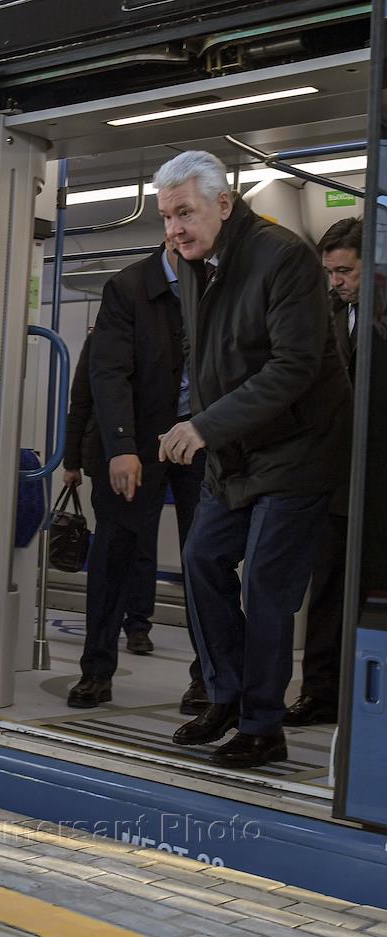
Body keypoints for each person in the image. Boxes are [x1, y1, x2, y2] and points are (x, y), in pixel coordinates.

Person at [157, 151, 351, 768]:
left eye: (184, 212)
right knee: (202, 558)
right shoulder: (194, 262)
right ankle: (228, 695)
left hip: (298, 447)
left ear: (223, 202)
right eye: (166, 218)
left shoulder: (285, 257)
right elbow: (210, 357)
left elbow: (292, 367)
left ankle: (264, 725)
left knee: (266, 585)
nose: (174, 229)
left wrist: (205, 425)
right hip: (236, 450)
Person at [65, 240, 206, 710]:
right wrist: (121, 448)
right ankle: (96, 671)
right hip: (138, 442)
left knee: (207, 559)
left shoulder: (220, 283)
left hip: (203, 437)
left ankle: (208, 678)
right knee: (114, 554)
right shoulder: (127, 288)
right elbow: (104, 375)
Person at [284, 217, 361, 726]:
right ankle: (320, 690)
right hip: (335, 470)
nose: (336, 281)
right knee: (328, 582)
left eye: (345, 271)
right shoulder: (328, 314)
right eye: (331, 272)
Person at [62, 332, 160, 661]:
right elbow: (82, 401)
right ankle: (120, 628)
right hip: (104, 456)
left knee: (143, 542)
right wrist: (71, 461)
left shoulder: (157, 340)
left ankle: (138, 623)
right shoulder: (100, 340)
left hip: (149, 454)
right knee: (115, 542)